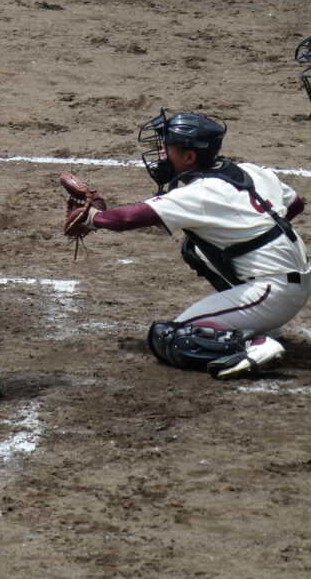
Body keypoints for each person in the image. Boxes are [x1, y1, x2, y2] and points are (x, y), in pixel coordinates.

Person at [78, 109, 310, 379]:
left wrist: (93, 217)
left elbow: (129, 218)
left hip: (272, 293)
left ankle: (254, 343)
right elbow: (295, 203)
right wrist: (250, 236)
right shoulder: (250, 170)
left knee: (172, 338)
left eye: (167, 149)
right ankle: (264, 325)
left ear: (189, 157)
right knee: (195, 248)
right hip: (293, 281)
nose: (161, 155)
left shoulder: (197, 194)